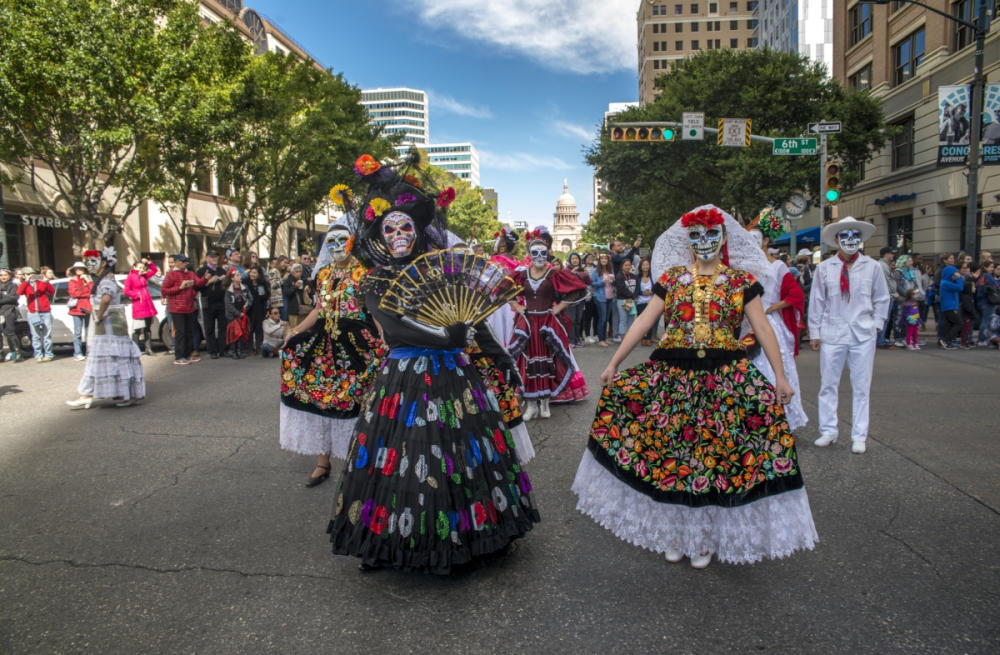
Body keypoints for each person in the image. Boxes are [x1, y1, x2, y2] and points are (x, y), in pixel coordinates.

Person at [571, 204, 817, 569]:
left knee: (712, 457)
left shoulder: (740, 282)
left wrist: (780, 376)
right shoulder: (671, 280)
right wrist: (613, 362)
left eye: (711, 235)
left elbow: (762, 329)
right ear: (689, 241)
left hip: (724, 376)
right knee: (674, 454)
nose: (704, 242)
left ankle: (702, 537)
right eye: (696, 236)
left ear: (723, 239)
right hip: (674, 374)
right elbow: (643, 323)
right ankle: (676, 531)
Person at [327, 152, 538, 573]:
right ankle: (387, 542)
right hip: (403, 376)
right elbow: (395, 327)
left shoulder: (444, 271)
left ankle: (455, 537)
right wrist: (445, 336)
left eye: (406, 227)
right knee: (403, 456)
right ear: (380, 236)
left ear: (419, 230)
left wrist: (502, 360)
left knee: (452, 456)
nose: (399, 235)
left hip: (452, 377)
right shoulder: (376, 280)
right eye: (390, 229)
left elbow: (473, 321)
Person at [279, 216, 384, 487]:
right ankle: (322, 464)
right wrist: (296, 332)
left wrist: (385, 339)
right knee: (320, 398)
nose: (337, 246)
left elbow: (373, 311)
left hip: (358, 343)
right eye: (331, 241)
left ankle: (360, 464)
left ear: (352, 242)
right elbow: (318, 310)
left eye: (342, 240)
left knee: (359, 402)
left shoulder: (364, 273)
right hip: (325, 344)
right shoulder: (323, 274)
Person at [809, 217, 891, 454]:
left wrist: (876, 324)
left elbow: (882, 298)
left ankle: (859, 435)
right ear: (836, 240)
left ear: (862, 239)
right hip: (833, 332)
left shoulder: (872, 267)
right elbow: (817, 302)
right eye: (844, 236)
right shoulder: (824, 268)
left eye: (855, 236)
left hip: (862, 333)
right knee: (828, 384)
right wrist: (815, 331)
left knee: (862, 386)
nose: (850, 240)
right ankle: (828, 430)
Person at [509, 229, 588, 420]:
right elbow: (504, 289)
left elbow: (578, 290)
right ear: (529, 254)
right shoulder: (521, 275)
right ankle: (530, 405)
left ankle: (545, 403)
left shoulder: (554, 274)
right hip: (527, 323)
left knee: (548, 360)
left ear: (547, 253)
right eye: (534, 253)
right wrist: (517, 307)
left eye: (542, 253)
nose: (538, 256)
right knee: (527, 361)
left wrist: (558, 308)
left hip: (548, 323)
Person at [747, 209, 808, 432]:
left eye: (757, 238)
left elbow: (796, 295)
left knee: (775, 371)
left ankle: (781, 421)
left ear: (765, 240)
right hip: (747, 325)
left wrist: (773, 306)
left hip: (769, 323)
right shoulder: (742, 267)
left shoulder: (778, 266)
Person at [66, 247, 145, 409]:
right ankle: (90, 394)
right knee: (110, 360)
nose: (89, 265)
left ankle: (91, 394)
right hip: (108, 328)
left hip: (109, 327)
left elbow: (106, 298)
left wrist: (100, 315)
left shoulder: (107, 280)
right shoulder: (100, 279)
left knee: (113, 360)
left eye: (93, 261)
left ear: (103, 263)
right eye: (88, 262)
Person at [161, 253, 206, 365]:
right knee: (180, 332)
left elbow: (198, 282)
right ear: (176, 262)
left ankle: (187, 354)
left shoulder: (190, 273)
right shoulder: (171, 275)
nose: (184, 263)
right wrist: (179, 287)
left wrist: (205, 278)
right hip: (177, 308)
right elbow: (164, 290)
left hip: (189, 307)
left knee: (189, 332)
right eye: (182, 261)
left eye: (185, 261)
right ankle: (179, 356)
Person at [17, 267, 55, 361]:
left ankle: (48, 355)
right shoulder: (25, 285)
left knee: (47, 335)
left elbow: (52, 291)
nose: (32, 276)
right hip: (33, 312)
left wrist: (45, 281)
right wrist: (26, 281)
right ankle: (38, 355)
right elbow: (19, 292)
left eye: (33, 274)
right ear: (24, 275)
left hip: (45, 311)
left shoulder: (41, 282)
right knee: (36, 335)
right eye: (28, 274)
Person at [123, 257, 159, 357]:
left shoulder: (144, 276)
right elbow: (126, 291)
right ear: (134, 267)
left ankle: (149, 348)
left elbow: (154, 270)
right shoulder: (130, 277)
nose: (141, 269)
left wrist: (148, 262)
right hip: (138, 305)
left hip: (147, 305)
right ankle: (135, 349)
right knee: (138, 329)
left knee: (147, 328)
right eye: (139, 267)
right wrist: (137, 295)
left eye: (142, 267)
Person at [196, 251, 227, 359]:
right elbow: (197, 287)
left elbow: (227, 285)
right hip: (208, 301)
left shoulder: (221, 270)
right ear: (207, 258)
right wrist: (209, 282)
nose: (214, 259)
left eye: (216, 257)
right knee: (209, 327)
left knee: (223, 326)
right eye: (212, 257)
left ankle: (222, 349)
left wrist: (224, 280)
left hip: (221, 301)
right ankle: (212, 350)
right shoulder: (202, 271)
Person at [66, 261, 93, 361]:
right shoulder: (72, 281)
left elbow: (93, 291)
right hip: (76, 309)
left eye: (81, 269)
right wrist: (86, 292)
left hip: (87, 308)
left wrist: (87, 281)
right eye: (77, 269)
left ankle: (89, 352)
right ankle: (77, 353)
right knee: (77, 333)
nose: (79, 271)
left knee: (88, 332)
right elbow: (74, 294)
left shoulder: (88, 279)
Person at [224, 267, 251, 359]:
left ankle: (240, 350)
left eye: (240, 275)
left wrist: (245, 308)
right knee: (234, 333)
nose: (240, 276)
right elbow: (228, 304)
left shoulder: (244, 288)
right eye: (237, 275)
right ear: (232, 278)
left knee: (242, 332)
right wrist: (237, 313)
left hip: (242, 312)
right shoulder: (229, 291)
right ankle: (234, 351)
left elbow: (249, 299)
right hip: (233, 315)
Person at [566, 252, 591, 347]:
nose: (575, 260)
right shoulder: (567, 270)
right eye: (573, 258)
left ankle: (577, 339)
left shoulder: (582, 269)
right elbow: (566, 283)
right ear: (569, 260)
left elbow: (588, 282)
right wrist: (572, 273)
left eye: (576, 258)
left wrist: (587, 275)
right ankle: (571, 341)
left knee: (578, 320)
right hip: (570, 299)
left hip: (581, 298)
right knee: (571, 320)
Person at [590, 252, 615, 346]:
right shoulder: (595, 271)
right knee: (602, 318)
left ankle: (604, 338)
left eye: (605, 259)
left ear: (608, 260)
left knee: (607, 318)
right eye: (602, 259)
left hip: (610, 296)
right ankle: (601, 339)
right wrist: (602, 282)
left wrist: (613, 281)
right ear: (599, 261)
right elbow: (592, 283)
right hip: (600, 297)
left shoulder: (610, 270)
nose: (604, 260)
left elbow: (613, 282)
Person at [937, 261, 963, 349]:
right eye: (954, 274)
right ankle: (945, 340)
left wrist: (956, 278)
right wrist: (959, 278)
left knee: (949, 325)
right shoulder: (945, 283)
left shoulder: (947, 282)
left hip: (950, 306)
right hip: (949, 307)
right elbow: (960, 287)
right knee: (959, 323)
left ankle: (946, 341)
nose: (955, 276)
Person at [876, 247, 898, 349]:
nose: (893, 256)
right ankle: (880, 341)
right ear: (886, 254)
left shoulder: (885, 265)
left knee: (885, 319)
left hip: (888, 295)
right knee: (884, 319)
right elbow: (885, 282)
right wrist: (890, 293)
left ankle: (881, 339)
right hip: (886, 296)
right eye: (891, 254)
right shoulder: (882, 266)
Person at [245, 267, 270, 355]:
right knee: (250, 329)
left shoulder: (262, 284)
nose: (252, 274)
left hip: (259, 308)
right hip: (249, 309)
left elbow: (264, 297)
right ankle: (250, 348)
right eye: (251, 272)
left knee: (259, 329)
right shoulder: (246, 283)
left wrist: (261, 289)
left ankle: (259, 347)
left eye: (255, 273)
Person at [282, 263, 313, 329]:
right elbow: (287, 293)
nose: (299, 273)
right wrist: (295, 286)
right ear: (292, 272)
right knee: (294, 330)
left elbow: (311, 293)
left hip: (304, 309)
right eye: (297, 271)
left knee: (305, 329)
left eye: (300, 271)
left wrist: (308, 291)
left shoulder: (304, 280)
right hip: (293, 311)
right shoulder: (288, 281)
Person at [614, 259, 639, 339]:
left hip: (632, 300)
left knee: (631, 319)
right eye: (626, 265)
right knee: (623, 319)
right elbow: (621, 289)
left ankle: (629, 337)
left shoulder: (634, 276)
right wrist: (631, 297)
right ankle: (623, 338)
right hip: (622, 300)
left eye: (629, 265)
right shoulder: (619, 276)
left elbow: (637, 288)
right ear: (622, 266)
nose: (628, 267)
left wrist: (634, 297)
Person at [635, 258, 657, 346]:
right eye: (643, 265)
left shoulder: (653, 276)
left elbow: (657, 288)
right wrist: (642, 292)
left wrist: (652, 291)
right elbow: (635, 290)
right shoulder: (637, 277)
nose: (645, 266)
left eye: (647, 264)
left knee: (650, 321)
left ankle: (648, 338)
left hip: (650, 302)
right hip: (640, 302)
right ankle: (642, 338)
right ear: (640, 266)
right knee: (641, 321)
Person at [0, 268, 20, 361]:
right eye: (1, 275)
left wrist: (3, 299)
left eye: (5, 275)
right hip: (0, 312)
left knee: (10, 332)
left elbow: (13, 298)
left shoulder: (13, 285)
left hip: (9, 311)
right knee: (2, 332)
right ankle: (2, 353)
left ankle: (16, 352)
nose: (3, 277)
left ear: (9, 276)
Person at [958, 263, 980, 349]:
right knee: (965, 329)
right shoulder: (966, 296)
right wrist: (972, 313)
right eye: (973, 287)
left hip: (968, 314)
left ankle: (965, 341)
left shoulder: (969, 295)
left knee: (967, 328)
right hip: (966, 314)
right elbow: (967, 307)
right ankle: (964, 342)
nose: (974, 289)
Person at [976, 260, 998, 346]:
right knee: (986, 321)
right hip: (988, 302)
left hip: (981, 301)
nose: (992, 269)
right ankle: (982, 339)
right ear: (985, 267)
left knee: (984, 320)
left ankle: (983, 339)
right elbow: (994, 287)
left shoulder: (981, 276)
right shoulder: (988, 276)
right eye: (991, 267)